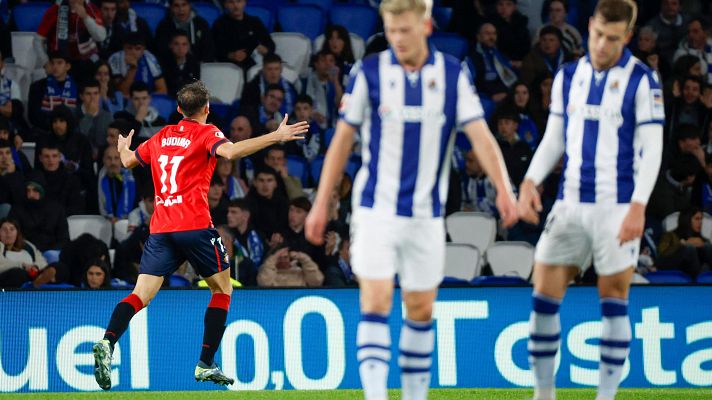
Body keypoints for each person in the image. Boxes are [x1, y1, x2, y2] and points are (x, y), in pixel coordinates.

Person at [304, 1, 518, 399]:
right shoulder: (369, 72)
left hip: (425, 217)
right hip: (375, 212)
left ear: (427, 25)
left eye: (406, 30)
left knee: (420, 310)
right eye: (391, 30)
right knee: (377, 301)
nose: (398, 39)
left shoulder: (453, 75)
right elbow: (341, 142)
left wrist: (505, 188)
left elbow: (481, 138)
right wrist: (321, 202)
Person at [91, 80, 307, 390]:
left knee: (141, 295)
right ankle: (206, 362)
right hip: (194, 225)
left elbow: (127, 161)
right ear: (206, 109)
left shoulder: (162, 136)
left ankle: (108, 341)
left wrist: (123, 147)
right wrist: (276, 135)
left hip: (162, 228)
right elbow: (231, 153)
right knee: (222, 290)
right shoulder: (207, 132)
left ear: (179, 109)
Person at [516, 2, 664, 400]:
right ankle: (543, 395)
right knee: (543, 298)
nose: (601, 45)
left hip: (616, 208)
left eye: (612, 39)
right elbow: (554, 138)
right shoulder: (568, 75)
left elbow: (653, 148)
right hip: (568, 205)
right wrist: (530, 180)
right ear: (590, 28)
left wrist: (638, 205)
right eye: (597, 34)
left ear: (627, 37)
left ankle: (605, 397)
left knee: (614, 300)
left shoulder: (643, 81)